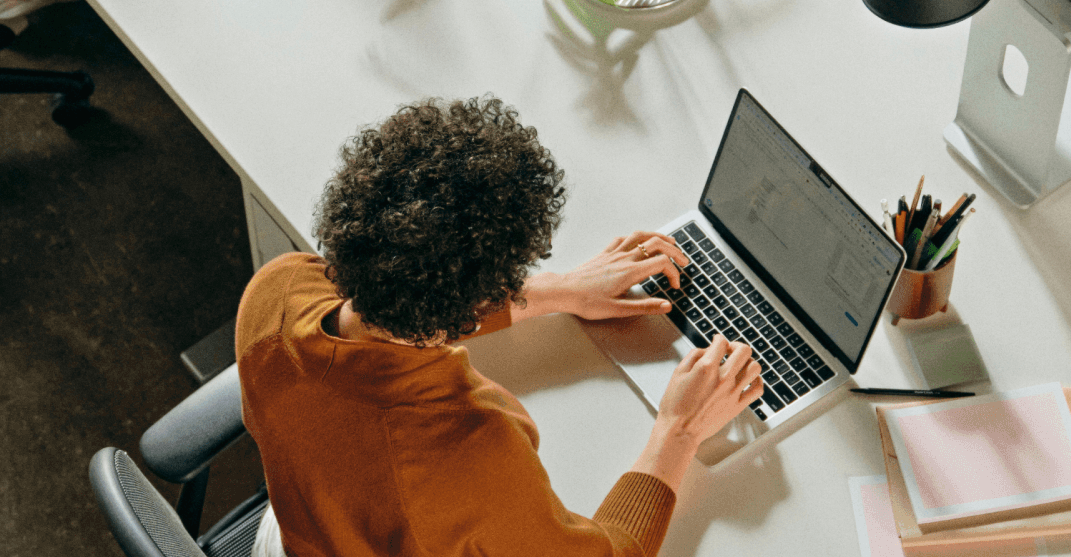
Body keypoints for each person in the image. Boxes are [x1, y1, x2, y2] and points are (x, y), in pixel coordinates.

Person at [236, 96, 762, 557]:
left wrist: (559, 289)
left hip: (301, 533)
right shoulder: (467, 451)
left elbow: (392, 308)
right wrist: (679, 430)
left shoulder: (277, 290)